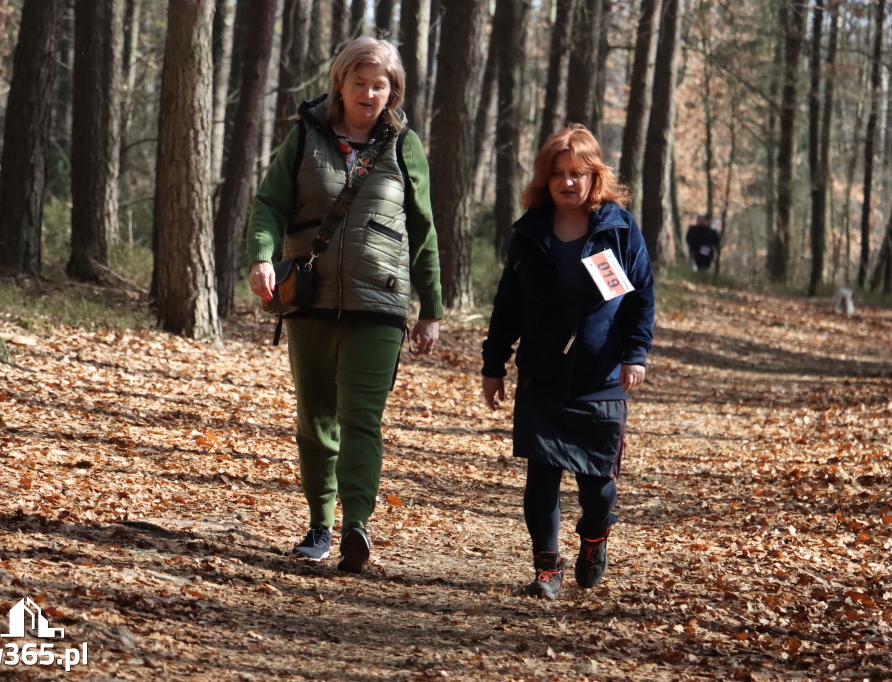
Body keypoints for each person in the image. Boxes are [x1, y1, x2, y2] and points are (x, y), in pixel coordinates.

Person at [246, 37, 442, 574]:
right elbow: (269, 204)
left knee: (362, 418)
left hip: (378, 303)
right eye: (360, 82)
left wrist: (431, 310)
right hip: (308, 301)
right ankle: (319, 523)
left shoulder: (405, 146)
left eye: (380, 85)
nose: (369, 92)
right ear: (340, 82)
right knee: (316, 419)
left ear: (392, 91)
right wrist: (262, 257)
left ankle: (356, 523)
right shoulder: (305, 137)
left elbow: (423, 233)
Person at [481, 124, 655, 599]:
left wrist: (635, 353)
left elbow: (641, 297)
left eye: (577, 173)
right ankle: (547, 568)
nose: (567, 183)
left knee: (598, 489)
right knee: (541, 478)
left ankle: (595, 539)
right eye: (557, 174)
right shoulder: (530, 231)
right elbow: (508, 303)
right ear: (545, 179)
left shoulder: (618, 227)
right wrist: (494, 364)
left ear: (594, 175)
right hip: (542, 375)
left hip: (601, 378)